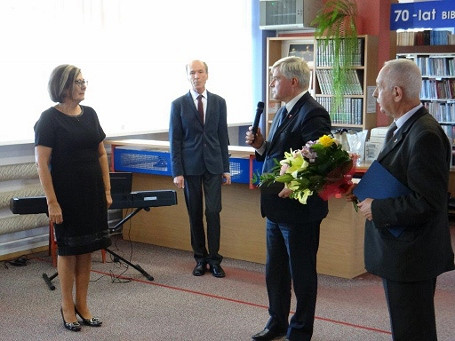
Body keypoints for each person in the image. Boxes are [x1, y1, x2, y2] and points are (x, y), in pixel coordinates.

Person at [350, 58, 455, 341]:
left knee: (413, 330)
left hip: (413, 255)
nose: (374, 95)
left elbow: (428, 203)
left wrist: (378, 207)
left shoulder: (425, 135)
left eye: (379, 88)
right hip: (402, 250)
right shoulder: (403, 128)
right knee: (406, 327)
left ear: (396, 92)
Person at [245, 56, 331, 341]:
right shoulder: (284, 111)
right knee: (276, 272)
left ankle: (301, 330)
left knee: (302, 274)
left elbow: (317, 161)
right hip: (276, 207)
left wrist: (294, 183)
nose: (271, 83)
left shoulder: (313, 113)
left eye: (275, 77)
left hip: (299, 211)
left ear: (293, 82)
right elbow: (280, 153)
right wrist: (261, 147)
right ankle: (277, 322)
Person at [35, 64, 112, 332]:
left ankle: (83, 305)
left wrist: (106, 190)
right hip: (66, 196)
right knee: (68, 252)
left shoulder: (90, 114)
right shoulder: (49, 119)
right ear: (64, 86)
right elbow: (42, 164)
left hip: (92, 193)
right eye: (78, 81)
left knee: (86, 249)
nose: (84, 85)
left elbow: (101, 153)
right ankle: (67, 307)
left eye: (84, 80)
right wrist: (52, 201)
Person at [169, 60, 231, 278]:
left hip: (214, 165)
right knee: (194, 214)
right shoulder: (178, 104)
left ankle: (215, 259)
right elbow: (174, 140)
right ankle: (200, 258)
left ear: (207, 74)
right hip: (190, 167)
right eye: (192, 72)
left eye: (200, 71)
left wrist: (226, 167)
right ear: (187, 76)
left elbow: (223, 135)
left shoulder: (219, 102)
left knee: (213, 212)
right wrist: (177, 171)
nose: (196, 75)